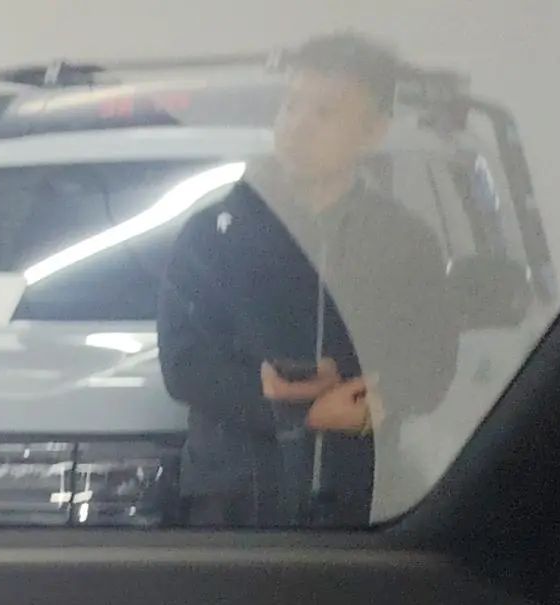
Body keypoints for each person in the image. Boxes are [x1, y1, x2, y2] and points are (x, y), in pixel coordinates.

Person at [157, 33, 460, 527]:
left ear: (372, 131)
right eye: (291, 105)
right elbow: (183, 364)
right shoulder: (212, 233)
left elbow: (430, 366)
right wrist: (296, 412)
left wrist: (373, 405)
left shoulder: (405, 241)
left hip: (361, 498)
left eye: (325, 113)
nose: (298, 126)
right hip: (233, 501)